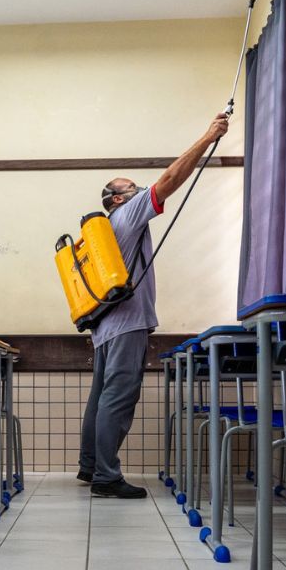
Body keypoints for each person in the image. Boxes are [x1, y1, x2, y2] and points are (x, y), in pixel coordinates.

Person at [78, 112, 230, 498]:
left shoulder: (104, 233)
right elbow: (168, 181)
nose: (141, 190)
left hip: (105, 327)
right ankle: (107, 477)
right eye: (132, 188)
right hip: (127, 324)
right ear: (116, 199)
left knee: (101, 397)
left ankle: (91, 466)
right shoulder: (126, 216)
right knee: (119, 397)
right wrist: (207, 137)